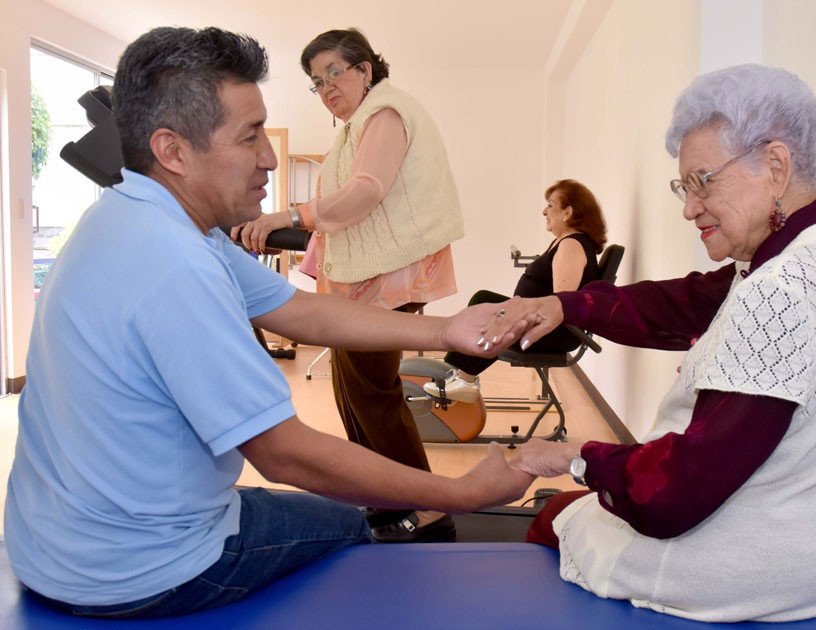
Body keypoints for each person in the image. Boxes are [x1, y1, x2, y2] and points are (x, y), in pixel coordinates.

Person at [2, 26, 533, 620]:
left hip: (54, 543)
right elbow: (286, 454)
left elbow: (298, 310)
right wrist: (460, 492)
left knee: (327, 493)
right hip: (141, 572)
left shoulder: (140, 215)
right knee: (353, 527)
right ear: (172, 151)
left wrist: (444, 330)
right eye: (249, 135)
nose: (270, 157)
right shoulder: (175, 266)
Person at [483, 64, 816, 622]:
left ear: (775, 166)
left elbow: (676, 493)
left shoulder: (781, 289)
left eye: (703, 181)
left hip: (769, 566)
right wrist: (565, 305)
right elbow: (690, 302)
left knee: (556, 519)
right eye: (685, 186)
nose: (689, 207)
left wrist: (573, 456)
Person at [231, 28, 463, 542]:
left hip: (388, 276)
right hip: (367, 277)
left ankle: (426, 507)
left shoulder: (385, 113)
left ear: (365, 69)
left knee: (373, 392)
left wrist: (289, 215)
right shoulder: (360, 123)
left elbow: (366, 192)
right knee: (353, 391)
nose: (327, 86)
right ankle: (382, 494)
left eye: (335, 72)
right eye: (317, 81)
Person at [423, 179, 607, 403]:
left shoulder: (572, 245)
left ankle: (460, 379)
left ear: (568, 212)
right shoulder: (566, 241)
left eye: (550, 205)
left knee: (484, 300)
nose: (544, 211)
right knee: (487, 302)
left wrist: (515, 313)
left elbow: (560, 304)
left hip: (554, 332)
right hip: (541, 324)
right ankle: (458, 377)